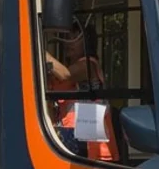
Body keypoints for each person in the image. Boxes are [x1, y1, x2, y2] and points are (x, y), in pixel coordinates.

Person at [45, 21, 117, 161]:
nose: (69, 43)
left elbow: (65, 75)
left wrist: (43, 54)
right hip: (72, 133)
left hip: (90, 138)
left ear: (87, 42)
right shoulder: (68, 66)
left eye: (75, 38)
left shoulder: (89, 64)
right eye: (68, 38)